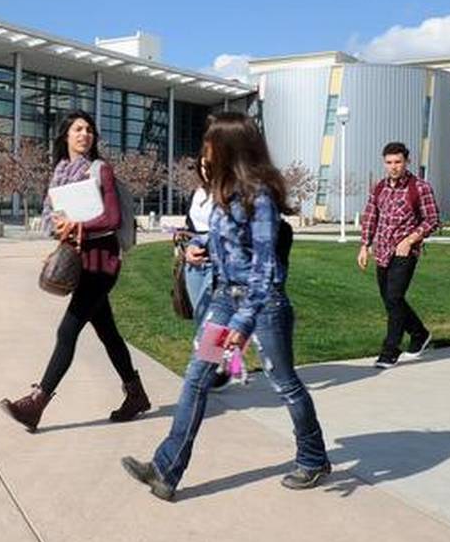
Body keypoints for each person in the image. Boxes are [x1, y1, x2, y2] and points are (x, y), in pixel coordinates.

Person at [122, 113, 329, 500]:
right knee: (197, 377)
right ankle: (166, 469)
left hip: (263, 304)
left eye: (210, 144)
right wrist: (202, 250)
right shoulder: (221, 192)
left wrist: (245, 321)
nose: (205, 151)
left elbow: (265, 265)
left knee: (285, 384)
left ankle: (314, 457)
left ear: (231, 147)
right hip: (223, 297)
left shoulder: (259, 196)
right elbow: (233, 248)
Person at [0, 110, 151, 432]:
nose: (85, 134)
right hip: (81, 258)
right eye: (78, 129)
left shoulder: (101, 171)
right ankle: (135, 394)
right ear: (66, 135)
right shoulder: (61, 173)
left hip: (102, 261)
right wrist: (60, 227)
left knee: (67, 331)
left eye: (89, 130)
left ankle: (35, 404)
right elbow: (53, 216)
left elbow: (112, 219)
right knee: (108, 332)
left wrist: (78, 224)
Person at [359, 141, 440, 369]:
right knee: (390, 300)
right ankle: (419, 334)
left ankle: (390, 351)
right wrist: (365, 245)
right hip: (382, 251)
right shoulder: (379, 188)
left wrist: (410, 239)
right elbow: (371, 215)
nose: (393, 167)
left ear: (407, 161)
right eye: (389, 162)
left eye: (398, 162)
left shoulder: (420, 187)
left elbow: (432, 220)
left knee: (394, 297)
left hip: (405, 251)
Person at [181, 156, 232, 390]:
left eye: (210, 164)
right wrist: (188, 249)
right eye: (202, 165)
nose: (206, 169)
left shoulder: (230, 192)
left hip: (217, 264)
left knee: (213, 322)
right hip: (195, 264)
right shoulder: (198, 193)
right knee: (200, 316)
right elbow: (190, 228)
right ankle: (221, 365)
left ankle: (209, 372)